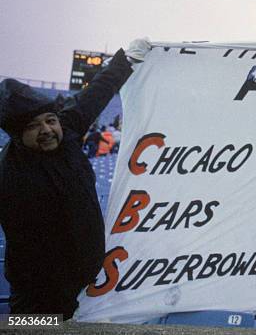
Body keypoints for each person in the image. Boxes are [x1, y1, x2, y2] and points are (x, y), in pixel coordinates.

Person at [0, 38, 152, 318]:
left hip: (92, 281)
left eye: (49, 120)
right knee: (31, 328)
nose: (46, 129)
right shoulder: (7, 172)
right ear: (17, 135)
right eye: (33, 126)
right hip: (39, 292)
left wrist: (126, 60)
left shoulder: (67, 127)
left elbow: (97, 92)